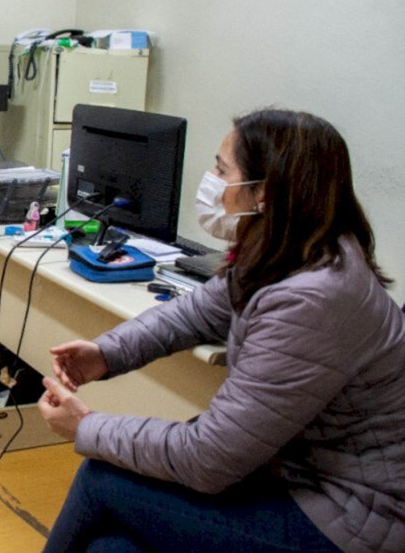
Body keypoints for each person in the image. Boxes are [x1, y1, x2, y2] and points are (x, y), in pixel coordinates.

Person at [37, 109, 405, 552]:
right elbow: (195, 312)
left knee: (103, 477)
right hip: (296, 474)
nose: (211, 181)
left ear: (263, 193)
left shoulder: (314, 298)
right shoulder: (287, 249)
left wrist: (87, 427)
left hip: (349, 516)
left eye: (221, 170)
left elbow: (208, 459)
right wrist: (106, 353)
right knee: (111, 549)